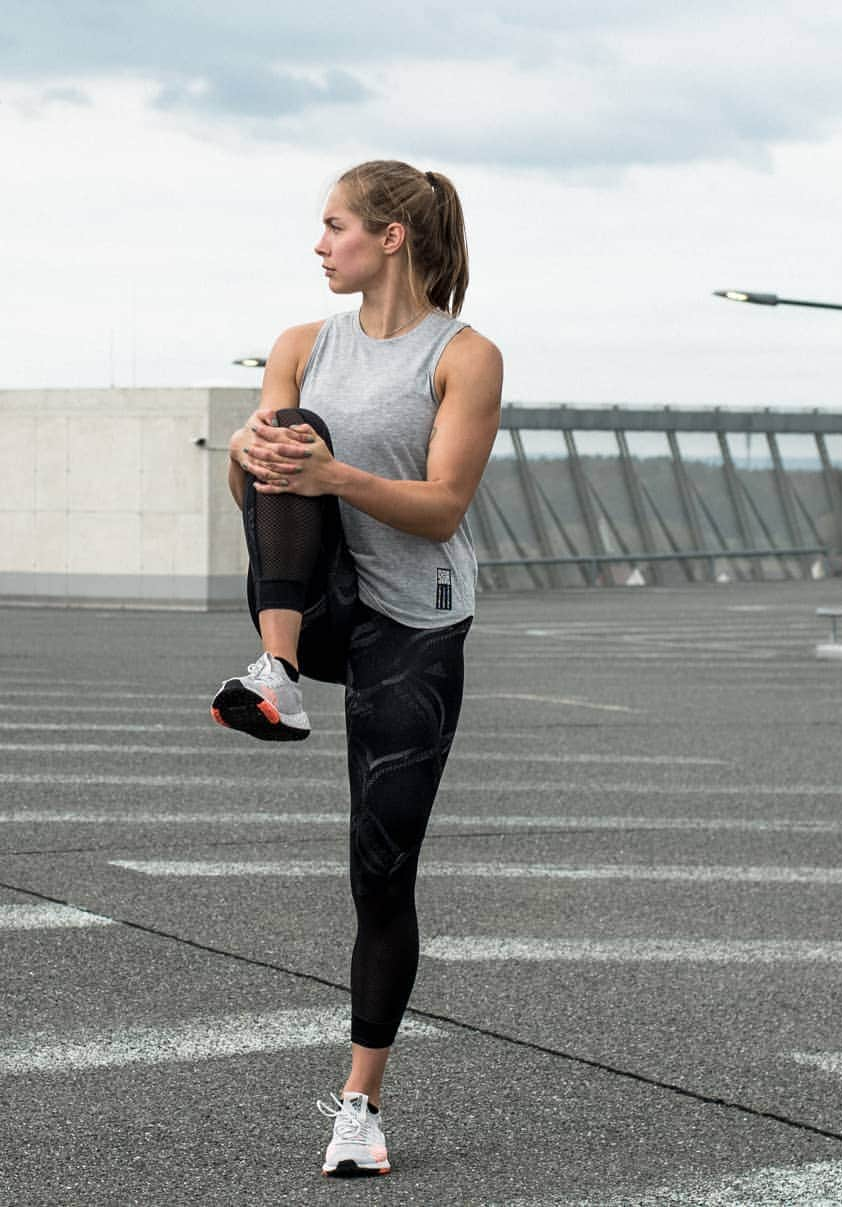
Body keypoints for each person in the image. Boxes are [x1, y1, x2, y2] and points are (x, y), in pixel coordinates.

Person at [210, 160, 502, 1176]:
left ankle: (359, 1106)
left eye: (333, 226)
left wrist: (331, 472)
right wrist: (251, 453)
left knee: (381, 870)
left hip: (414, 625)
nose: (319, 243)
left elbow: (442, 509)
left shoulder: (464, 357)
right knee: (282, 431)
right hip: (322, 602)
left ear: (389, 237)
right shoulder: (300, 345)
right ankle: (276, 672)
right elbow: (261, 485)